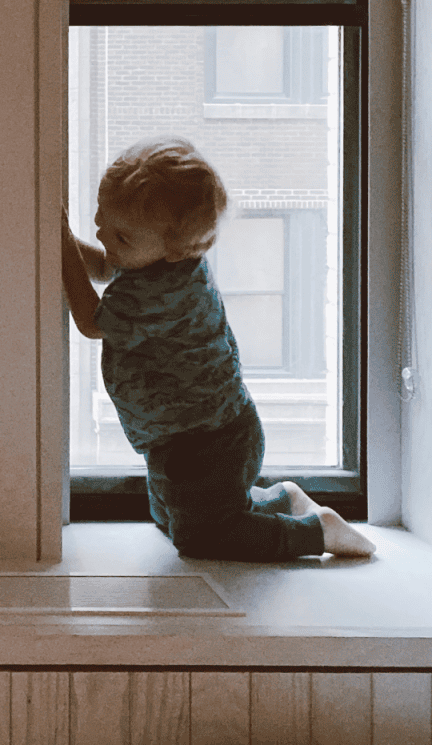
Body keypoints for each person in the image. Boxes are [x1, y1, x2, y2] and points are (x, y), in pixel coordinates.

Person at [60, 136, 375, 561]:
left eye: (121, 237)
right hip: (189, 436)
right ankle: (282, 499)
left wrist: (60, 242)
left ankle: (317, 534)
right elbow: (104, 264)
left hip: (206, 442)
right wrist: (63, 239)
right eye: (101, 219)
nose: (102, 235)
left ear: (175, 248)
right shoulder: (160, 258)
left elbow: (89, 321)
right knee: (174, 516)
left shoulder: (160, 292)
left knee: (201, 537)